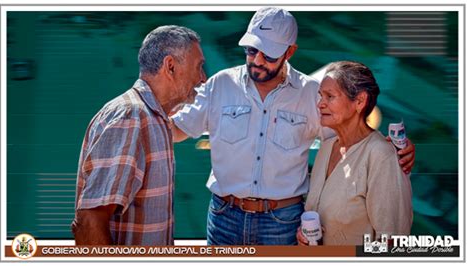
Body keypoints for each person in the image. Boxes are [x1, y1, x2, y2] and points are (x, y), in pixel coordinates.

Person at [171, 7, 415, 245]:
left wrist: (391, 152)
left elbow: (349, 137)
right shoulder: (221, 84)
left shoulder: (311, 93)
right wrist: (143, 116)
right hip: (223, 216)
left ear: (290, 51)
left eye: (268, 55)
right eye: (251, 49)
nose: (257, 60)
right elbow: (178, 129)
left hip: (282, 222)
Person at [71, 25, 206, 245]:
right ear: (170, 66)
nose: (203, 78)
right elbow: (90, 221)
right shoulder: (131, 118)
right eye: (199, 67)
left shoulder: (157, 119)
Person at [296, 61, 413, 245]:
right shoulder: (326, 148)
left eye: (330, 96)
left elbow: (393, 242)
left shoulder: (382, 155)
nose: (320, 104)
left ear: (360, 101)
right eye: (320, 96)